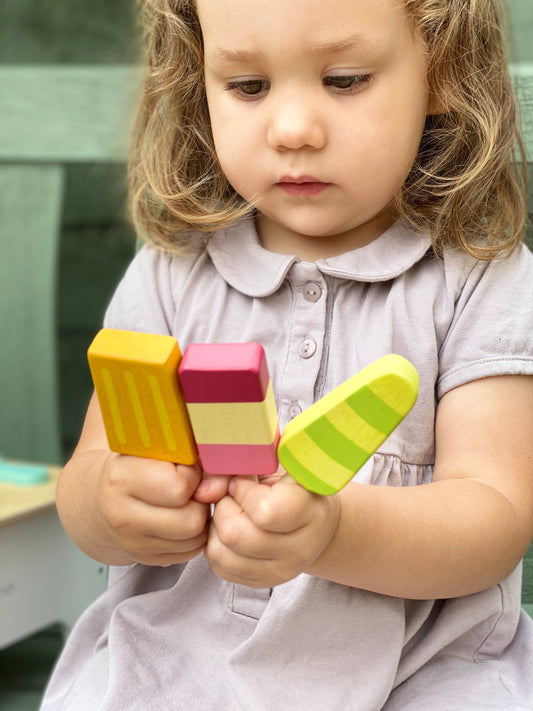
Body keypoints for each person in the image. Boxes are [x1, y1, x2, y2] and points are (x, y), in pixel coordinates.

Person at [41, 0, 533, 708]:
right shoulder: (171, 274)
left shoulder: (481, 280)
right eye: (247, 87)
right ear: (197, 82)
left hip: (420, 670)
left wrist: (333, 532)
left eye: (344, 79)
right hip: (178, 661)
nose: (292, 130)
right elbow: (86, 480)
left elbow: (493, 519)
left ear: (443, 71)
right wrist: (114, 503)